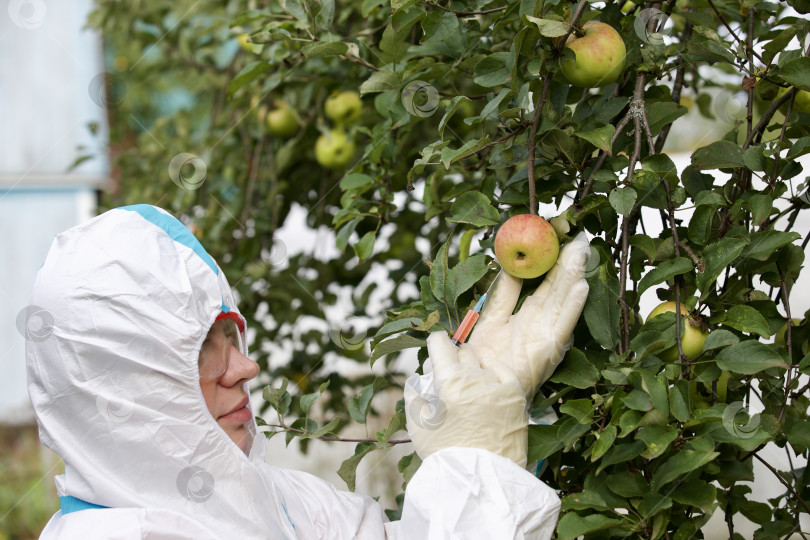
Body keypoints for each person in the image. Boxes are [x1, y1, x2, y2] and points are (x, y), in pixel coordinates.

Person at [26, 204, 589, 539]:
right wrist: (480, 466)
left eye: (231, 334)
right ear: (124, 392)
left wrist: (479, 423)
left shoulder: (274, 500)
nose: (245, 367)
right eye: (201, 349)